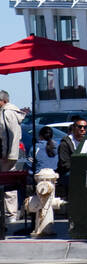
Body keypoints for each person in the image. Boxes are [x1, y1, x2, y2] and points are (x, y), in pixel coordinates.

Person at [0, 90, 28, 222]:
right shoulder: (6, 112)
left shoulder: (8, 113)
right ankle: (9, 213)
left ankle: (10, 215)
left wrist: (9, 155)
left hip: (9, 155)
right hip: (10, 154)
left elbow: (13, 134)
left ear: (3, 101)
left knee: (9, 184)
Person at [57, 118, 87, 197]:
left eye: (85, 127)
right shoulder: (65, 144)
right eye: (80, 127)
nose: (82, 129)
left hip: (86, 172)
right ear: (74, 128)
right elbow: (64, 164)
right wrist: (80, 168)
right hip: (69, 173)